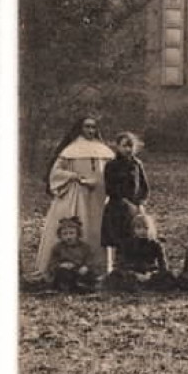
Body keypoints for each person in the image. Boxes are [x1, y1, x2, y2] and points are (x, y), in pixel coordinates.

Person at [34, 116, 115, 280]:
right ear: (80, 128)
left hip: (99, 195)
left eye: (93, 127)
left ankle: (97, 268)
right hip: (77, 194)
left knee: (98, 229)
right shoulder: (70, 149)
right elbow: (55, 173)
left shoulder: (104, 150)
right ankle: (71, 267)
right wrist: (74, 176)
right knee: (80, 223)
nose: (90, 131)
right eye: (87, 127)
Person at [101, 132, 150, 274]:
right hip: (117, 207)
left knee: (134, 237)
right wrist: (123, 200)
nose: (128, 149)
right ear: (118, 147)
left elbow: (144, 187)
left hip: (134, 208)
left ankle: (133, 268)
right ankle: (116, 270)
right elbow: (109, 187)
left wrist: (140, 203)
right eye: (124, 146)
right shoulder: (111, 165)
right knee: (118, 239)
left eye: (130, 146)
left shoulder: (136, 164)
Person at [107, 212, 173, 292]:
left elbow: (163, 265)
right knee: (115, 276)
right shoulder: (127, 244)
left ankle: (146, 286)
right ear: (134, 229)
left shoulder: (156, 244)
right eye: (139, 228)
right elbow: (121, 264)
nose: (142, 231)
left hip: (150, 273)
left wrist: (150, 274)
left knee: (168, 277)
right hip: (133, 273)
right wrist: (134, 274)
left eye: (146, 228)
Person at [42, 217, 100, 293]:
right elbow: (52, 263)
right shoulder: (58, 248)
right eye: (65, 234)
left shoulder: (85, 247)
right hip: (66, 272)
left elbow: (90, 260)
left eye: (71, 233)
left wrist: (86, 267)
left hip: (79, 271)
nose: (68, 237)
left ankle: (82, 286)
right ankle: (67, 287)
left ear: (78, 234)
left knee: (89, 276)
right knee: (63, 274)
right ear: (60, 236)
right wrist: (61, 265)